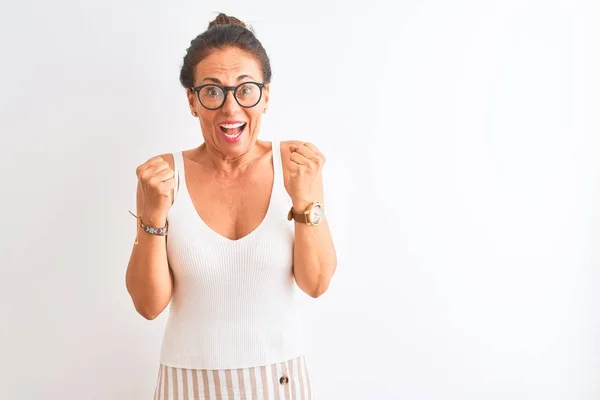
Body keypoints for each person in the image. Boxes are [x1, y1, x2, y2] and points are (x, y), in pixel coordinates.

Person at [125, 13, 337, 399]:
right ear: (192, 100)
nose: (231, 108)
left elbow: (317, 283)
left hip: (281, 381)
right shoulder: (163, 176)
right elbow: (148, 305)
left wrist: (305, 201)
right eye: (212, 91)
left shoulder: (295, 165)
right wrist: (153, 217)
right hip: (186, 383)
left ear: (266, 95)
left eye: (245, 90)